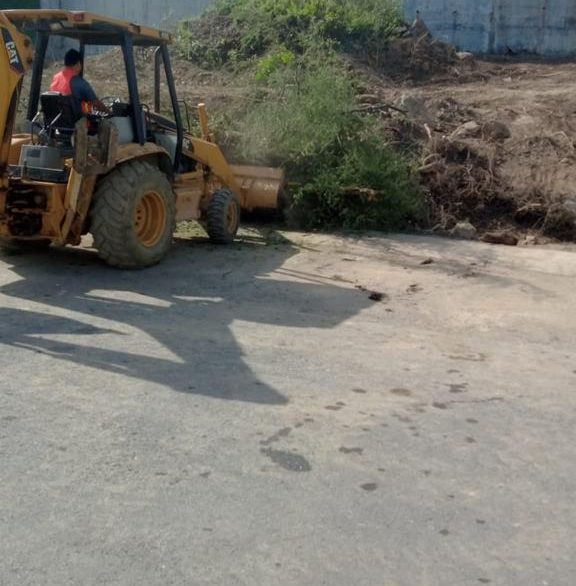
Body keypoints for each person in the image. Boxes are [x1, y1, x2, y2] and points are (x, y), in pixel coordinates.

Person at [50, 48, 109, 114]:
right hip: (73, 121)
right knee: (105, 123)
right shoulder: (79, 82)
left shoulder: (56, 78)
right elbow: (96, 103)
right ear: (78, 64)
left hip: (54, 119)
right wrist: (109, 112)